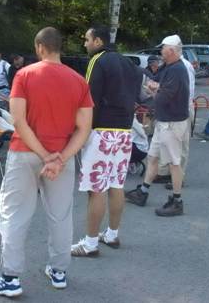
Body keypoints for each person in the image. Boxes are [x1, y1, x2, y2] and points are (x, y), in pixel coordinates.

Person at [0, 27, 93, 297]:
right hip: (62, 157)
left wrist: (45, 156)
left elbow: (18, 121)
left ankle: (10, 278)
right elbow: (84, 128)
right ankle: (58, 271)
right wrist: (60, 158)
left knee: (14, 214)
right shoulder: (79, 81)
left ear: (40, 47)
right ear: (59, 47)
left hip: (25, 153)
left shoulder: (24, 75)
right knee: (60, 216)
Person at [71, 26, 142, 257]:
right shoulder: (129, 63)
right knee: (116, 184)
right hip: (124, 132)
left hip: (101, 132)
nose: (85, 44)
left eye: (87, 39)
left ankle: (90, 243)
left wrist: (81, 132)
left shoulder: (98, 60)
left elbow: (88, 98)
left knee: (95, 189)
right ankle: (112, 234)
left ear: (98, 41)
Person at [125, 35, 190, 216]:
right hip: (164, 121)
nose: (160, 52)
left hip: (172, 123)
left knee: (174, 163)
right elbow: (155, 80)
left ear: (171, 50)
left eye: (163, 49)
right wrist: (154, 87)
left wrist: (154, 90)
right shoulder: (170, 67)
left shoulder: (177, 70)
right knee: (152, 158)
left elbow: (163, 97)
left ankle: (177, 201)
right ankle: (143, 192)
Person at [160, 52, 196, 190]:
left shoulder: (182, 67)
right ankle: (169, 174)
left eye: (163, 50)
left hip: (181, 110)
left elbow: (186, 91)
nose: (161, 54)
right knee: (169, 145)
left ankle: (178, 179)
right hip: (175, 110)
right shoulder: (173, 66)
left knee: (181, 146)